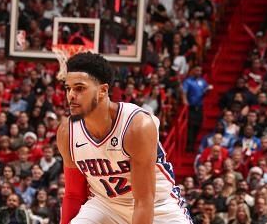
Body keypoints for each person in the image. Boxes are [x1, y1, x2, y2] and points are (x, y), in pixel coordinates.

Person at [57, 52, 192, 224]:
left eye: (79, 88)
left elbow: (144, 201)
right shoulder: (67, 132)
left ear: (103, 90)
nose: (71, 95)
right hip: (105, 206)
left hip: (158, 208)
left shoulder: (136, 126)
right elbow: (73, 195)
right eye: (68, 88)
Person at [182, 65, 213, 152]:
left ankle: (193, 144)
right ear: (193, 71)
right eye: (197, 70)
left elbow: (205, 91)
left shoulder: (203, 81)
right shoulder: (188, 81)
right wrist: (185, 100)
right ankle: (189, 146)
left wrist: (207, 90)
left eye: (200, 71)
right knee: (191, 126)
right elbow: (184, 91)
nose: (198, 72)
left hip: (199, 107)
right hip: (191, 107)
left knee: (198, 125)